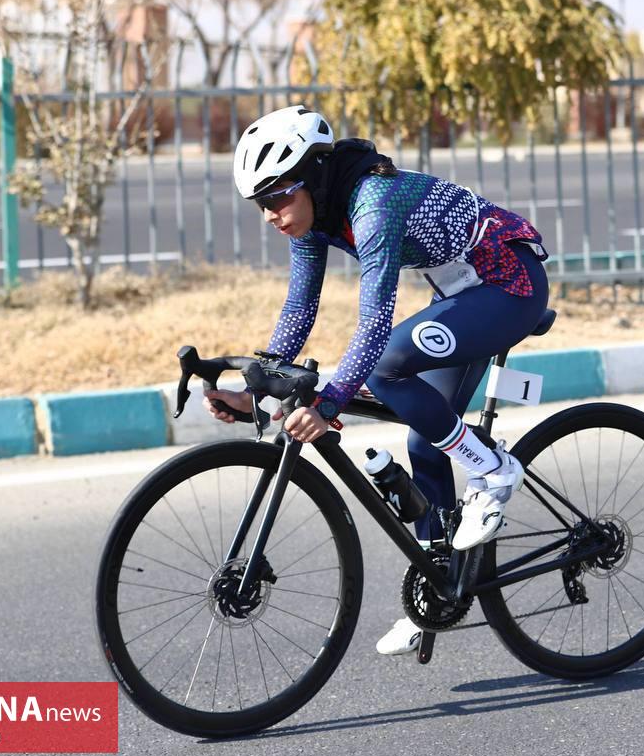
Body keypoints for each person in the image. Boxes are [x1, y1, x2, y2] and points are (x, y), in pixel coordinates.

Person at [204, 104, 550, 654]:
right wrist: (253, 391)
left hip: (509, 286)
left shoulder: (373, 204)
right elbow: (300, 306)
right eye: (259, 202)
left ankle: (495, 468)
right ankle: (439, 586)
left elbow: (373, 323)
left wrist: (329, 404)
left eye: (277, 196)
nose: (269, 213)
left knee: (387, 368)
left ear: (313, 176)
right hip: (462, 294)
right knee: (425, 439)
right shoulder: (314, 216)